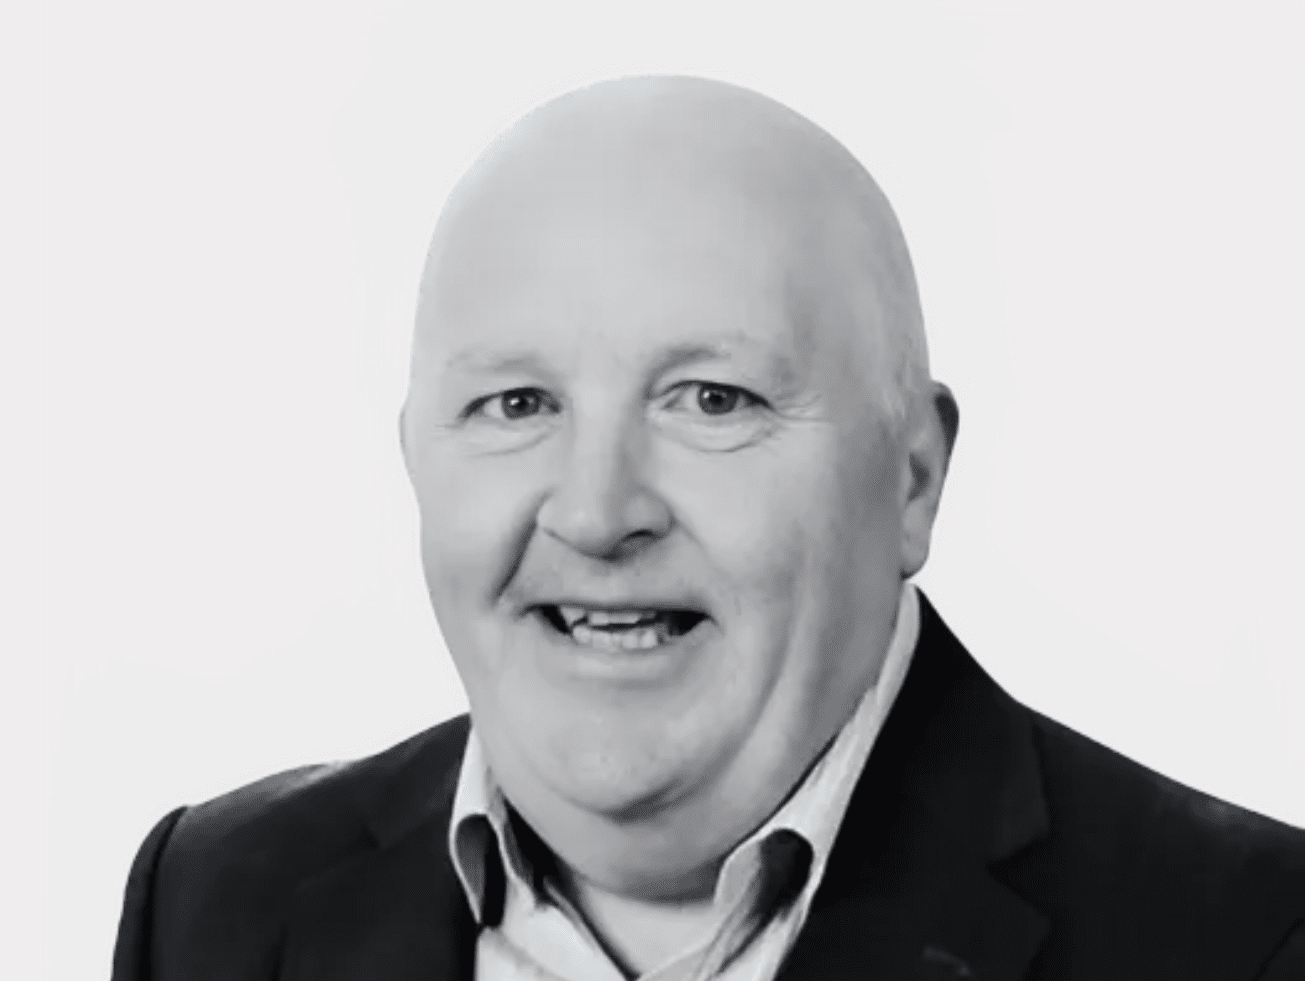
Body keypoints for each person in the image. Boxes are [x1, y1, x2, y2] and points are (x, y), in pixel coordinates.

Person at [111, 76, 1305, 981]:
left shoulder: (1243, 937)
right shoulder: (214, 908)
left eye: (711, 401)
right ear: (415, 455)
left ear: (913, 479)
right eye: (516, 404)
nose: (596, 511)